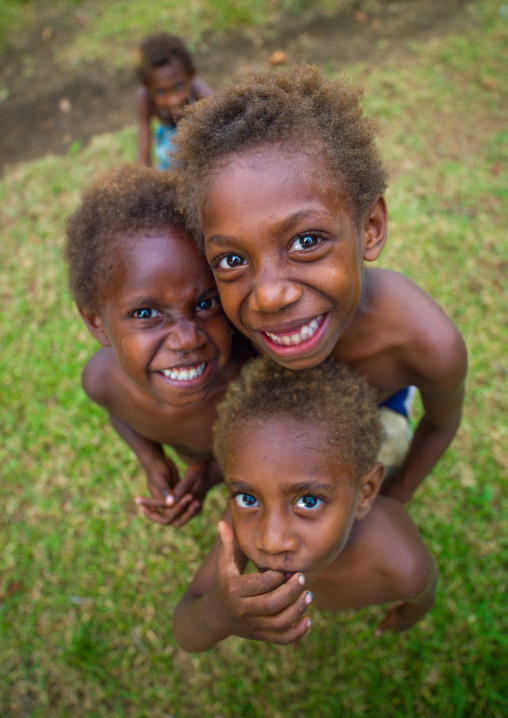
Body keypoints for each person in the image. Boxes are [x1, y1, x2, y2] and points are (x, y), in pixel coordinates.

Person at [173, 63, 468, 503]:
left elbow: (441, 423)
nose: (271, 296)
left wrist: (398, 498)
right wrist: (210, 468)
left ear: (369, 227)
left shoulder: (427, 344)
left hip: (375, 412)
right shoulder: (225, 330)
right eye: (232, 259)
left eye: (306, 241)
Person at [173, 358, 438, 651]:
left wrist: (408, 617)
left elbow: (422, 596)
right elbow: (186, 624)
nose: (271, 541)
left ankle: (398, 400)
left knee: (393, 440)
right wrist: (213, 615)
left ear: (366, 492)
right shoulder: (242, 519)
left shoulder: (404, 564)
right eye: (248, 498)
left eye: (308, 501)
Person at [64, 164, 252, 526]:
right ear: (95, 322)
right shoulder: (101, 381)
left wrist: (214, 473)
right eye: (147, 312)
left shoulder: (254, 376)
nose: (187, 338)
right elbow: (120, 415)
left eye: (205, 303)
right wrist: (151, 458)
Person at [135, 33, 212, 169]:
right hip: (169, 159)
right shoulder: (145, 98)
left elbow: (225, 131)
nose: (172, 100)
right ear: (148, 88)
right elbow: (143, 154)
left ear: (191, 75)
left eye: (178, 86)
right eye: (160, 92)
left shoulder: (202, 94)